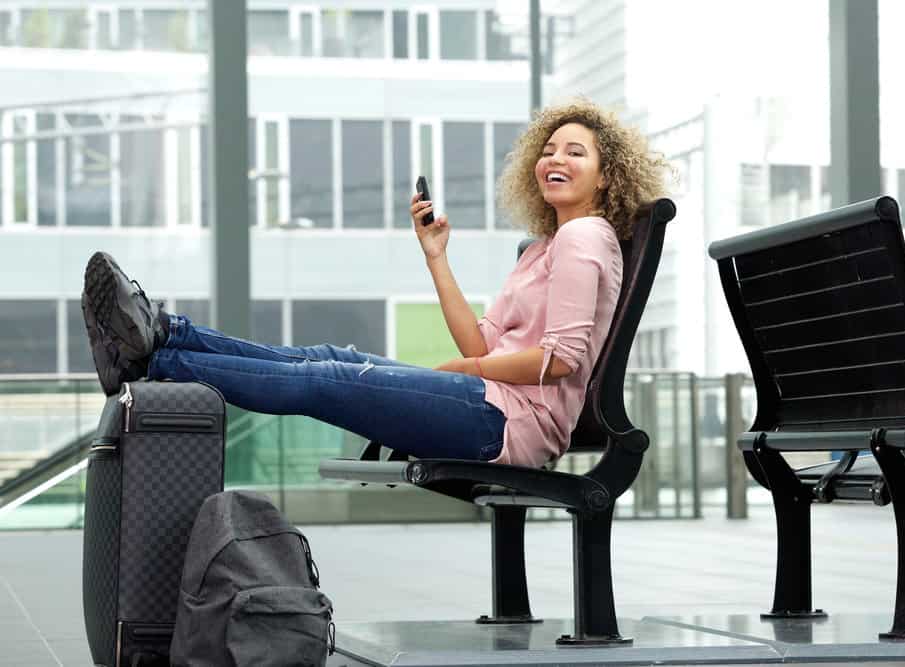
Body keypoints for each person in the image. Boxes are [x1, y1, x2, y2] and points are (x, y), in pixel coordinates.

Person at [82, 99, 667, 468]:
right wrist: (436, 256)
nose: (553, 157)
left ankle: (153, 359)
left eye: (575, 151)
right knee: (331, 359)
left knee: (330, 377)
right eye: (547, 149)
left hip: (510, 424)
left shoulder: (585, 236)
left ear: (606, 173)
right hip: (492, 403)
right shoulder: (544, 247)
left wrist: (471, 372)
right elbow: (480, 345)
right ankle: (164, 336)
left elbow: (562, 359)